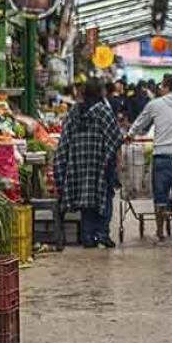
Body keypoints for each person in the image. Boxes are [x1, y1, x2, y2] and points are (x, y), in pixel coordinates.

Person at [51, 80, 124, 250]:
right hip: (100, 163)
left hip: (78, 164)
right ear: (101, 93)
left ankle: (87, 236)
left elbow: (64, 140)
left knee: (85, 199)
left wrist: (63, 164)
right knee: (104, 196)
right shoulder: (103, 112)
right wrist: (112, 159)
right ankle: (103, 233)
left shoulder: (73, 112)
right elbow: (115, 138)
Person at [127, 74, 172, 247]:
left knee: (160, 198)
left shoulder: (155, 104)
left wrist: (130, 135)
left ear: (166, 87)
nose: (159, 88)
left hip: (161, 156)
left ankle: (160, 235)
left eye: (161, 85)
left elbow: (140, 123)